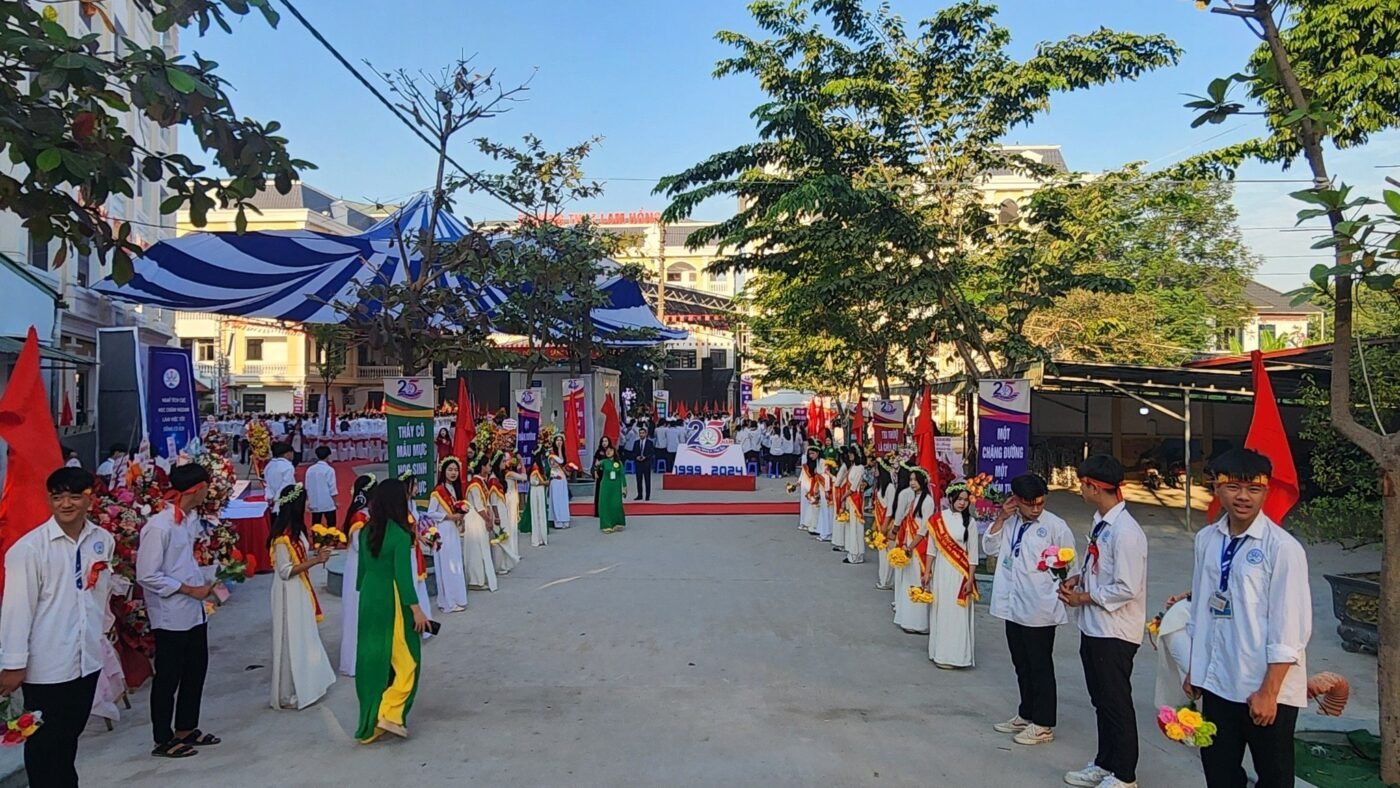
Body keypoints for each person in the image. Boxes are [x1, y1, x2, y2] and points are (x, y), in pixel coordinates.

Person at [1185, 448, 1310, 788]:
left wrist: (1269, 691)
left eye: (1254, 489)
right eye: (1233, 487)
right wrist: (1196, 669)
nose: (1243, 497)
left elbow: (1290, 627)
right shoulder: (1207, 539)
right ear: (1216, 487)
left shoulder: (1282, 548)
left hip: (1264, 689)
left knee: (1274, 776)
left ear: (1266, 491)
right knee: (1219, 772)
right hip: (1218, 682)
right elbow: (1201, 611)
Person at [0, 468, 115, 785]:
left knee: (68, 741)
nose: (66, 504)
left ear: (90, 500)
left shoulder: (102, 540)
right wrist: (13, 664)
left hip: (86, 661)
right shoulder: (29, 549)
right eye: (58, 497)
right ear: (48, 500)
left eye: (75, 496)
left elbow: (99, 596)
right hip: (46, 666)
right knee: (44, 746)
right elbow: (16, 610)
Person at [1058, 455, 1149, 788]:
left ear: (1094, 487)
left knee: (1116, 702)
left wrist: (1083, 597)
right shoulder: (1102, 522)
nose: (1080, 490)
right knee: (1101, 701)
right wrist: (1079, 579)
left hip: (1115, 631)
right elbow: (1100, 568)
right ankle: (1105, 762)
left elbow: (1126, 587)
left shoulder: (1126, 532)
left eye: (1082, 485)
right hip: (1094, 626)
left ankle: (1125, 775)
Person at [983, 473, 1075, 746]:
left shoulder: (1055, 526)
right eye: (1029, 504)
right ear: (1016, 500)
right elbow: (990, 547)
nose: (1036, 509)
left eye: (1040, 503)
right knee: (1021, 662)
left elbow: (1071, 564)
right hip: (1013, 603)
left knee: (1040, 665)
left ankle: (1043, 723)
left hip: (1040, 606)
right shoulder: (1010, 521)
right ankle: (1026, 713)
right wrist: (1001, 517)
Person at [136, 463, 220, 758]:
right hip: (171, 614)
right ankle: (163, 737)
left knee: (195, 670)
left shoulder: (188, 520)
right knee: (168, 677)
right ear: (199, 489)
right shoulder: (159, 526)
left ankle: (186, 726)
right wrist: (187, 589)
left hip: (194, 610)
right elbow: (147, 574)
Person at [354, 479, 431, 744]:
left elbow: (362, 572)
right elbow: (403, 577)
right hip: (391, 598)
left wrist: (366, 595)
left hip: (369, 597)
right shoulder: (399, 535)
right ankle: (389, 712)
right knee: (408, 660)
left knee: (373, 658)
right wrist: (416, 610)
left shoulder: (365, 531)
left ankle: (370, 721)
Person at [267, 484, 336, 710]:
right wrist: (315, 561)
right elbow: (285, 571)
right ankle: (287, 693)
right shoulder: (282, 538)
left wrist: (318, 554)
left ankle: (308, 684)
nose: (308, 504)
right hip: (288, 592)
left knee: (304, 635)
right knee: (290, 638)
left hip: (300, 588)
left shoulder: (297, 531)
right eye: (305, 500)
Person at [926, 481, 979, 669]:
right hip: (941, 571)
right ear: (950, 499)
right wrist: (927, 572)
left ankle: (957, 656)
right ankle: (940, 653)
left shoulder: (970, 523)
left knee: (957, 613)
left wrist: (970, 579)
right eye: (959, 499)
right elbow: (931, 549)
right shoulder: (938, 519)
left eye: (965, 500)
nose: (962, 503)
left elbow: (973, 554)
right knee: (941, 610)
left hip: (960, 574)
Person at [339, 474, 377, 676]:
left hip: (366, 567)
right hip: (358, 568)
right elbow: (359, 546)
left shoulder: (367, 515)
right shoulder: (359, 518)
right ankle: (354, 662)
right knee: (356, 613)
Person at [424, 458, 471, 612]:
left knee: (455, 564)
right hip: (443, 530)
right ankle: (448, 601)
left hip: (453, 530)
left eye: (455, 470)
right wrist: (450, 517)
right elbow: (430, 513)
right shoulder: (438, 491)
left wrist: (460, 519)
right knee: (446, 565)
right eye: (450, 470)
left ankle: (456, 598)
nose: (453, 473)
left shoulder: (454, 490)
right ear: (443, 471)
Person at [892, 467, 933, 634]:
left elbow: (924, 529)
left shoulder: (928, 501)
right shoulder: (914, 499)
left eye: (915, 480)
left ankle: (920, 623)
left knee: (917, 581)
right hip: (910, 544)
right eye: (911, 480)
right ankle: (908, 619)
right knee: (908, 581)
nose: (912, 483)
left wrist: (911, 546)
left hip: (919, 547)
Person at [462, 460, 499, 590]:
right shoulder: (475, 484)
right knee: (475, 549)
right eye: (488, 465)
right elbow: (478, 506)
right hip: (475, 518)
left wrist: (490, 516)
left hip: (481, 517)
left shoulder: (482, 482)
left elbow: (486, 502)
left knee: (482, 547)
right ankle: (475, 580)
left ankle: (480, 578)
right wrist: (488, 520)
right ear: (482, 467)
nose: (490, 467)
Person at [487, 456, 519, 574]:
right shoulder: (493, 480)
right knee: (499, 539)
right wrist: (496, 516)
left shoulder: (498, 478)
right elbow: (493, 501)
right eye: (503, 461)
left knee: (504, 537)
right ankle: (499, 566)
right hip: (498, 512)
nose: (505, 464)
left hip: (502, 509)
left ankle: (504, 564)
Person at [842, 446, 867, 564]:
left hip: (855, 498)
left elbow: (853, 487)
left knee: (856, 527)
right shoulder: (852, 466)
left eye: (852, 454)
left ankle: (857, 554)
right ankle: (851, 551)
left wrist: (843, 496)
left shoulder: (860, 467)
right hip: (850, 498)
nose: (849, 456)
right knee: (850, 526)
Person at [305, 445, 338, 531]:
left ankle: (316, 538)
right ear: (328, 456)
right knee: (331, 524)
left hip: (314, 500)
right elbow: (332, 487)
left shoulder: (310, 469)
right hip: (327, 500)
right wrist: (335, 501)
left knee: (316, 523)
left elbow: (307, 486)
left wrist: (308, 500)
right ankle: (331, 537)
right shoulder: (329, 470)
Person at [596, 445, 627, 533]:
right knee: (605, 505)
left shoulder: (619, 463)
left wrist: (624, 487)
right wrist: (596, 467)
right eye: (607, 451)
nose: (608, 452)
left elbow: (622, 475)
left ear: (614, 451)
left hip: (616, 486)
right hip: (606, 486)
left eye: (611, 450)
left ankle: (617, 523)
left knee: (616, 504)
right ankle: (606, 525)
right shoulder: (603, 462)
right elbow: (596, 468)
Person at [263, 442, 296, 515]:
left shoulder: (269, 465)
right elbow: (286, 485)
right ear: (287, 454)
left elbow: (266, 484)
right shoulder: (288, 466)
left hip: (272, 499)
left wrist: (269, 496)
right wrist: (277, 499)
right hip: (284, 500)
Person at [547, 438, 572, 529]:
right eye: (557, 440)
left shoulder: (564, 452)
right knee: (556, 500)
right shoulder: (550, 453)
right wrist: (558, 449)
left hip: (562, 478)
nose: (559, 442)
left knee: (563, 500)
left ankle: (565, 519)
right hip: (555, 478)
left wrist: (560, 449)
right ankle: (557, 521)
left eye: (560, 440)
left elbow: (563, 462)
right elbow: (559, 462)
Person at [526, 452, 549, 547]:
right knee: (537, 513)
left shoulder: (539, 465)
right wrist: (544, 483)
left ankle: (541, 537)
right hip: (536, 490)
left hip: (539, 490)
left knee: (540, 513)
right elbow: (533, 482)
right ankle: (538, 538)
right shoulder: (535, 467)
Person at [798, 445, 821, 533]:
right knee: (805, 505)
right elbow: (802, 474)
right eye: (809, 454)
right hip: (806, 486)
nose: (811, 455)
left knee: (814, 506)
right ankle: (804, 522)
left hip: (815, 486)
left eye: (812, 453)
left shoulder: (820, 463)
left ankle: (814, 524)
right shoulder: (806, 465)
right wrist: (798, 483)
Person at [830, 449, 849, 553]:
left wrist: (829, 474)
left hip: (839, 491)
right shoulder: (848, 466)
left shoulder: (843, 467)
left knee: (839, 516)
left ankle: (840, 542)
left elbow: (837, 482)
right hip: (843, 490)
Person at [591, 436, 615, 516]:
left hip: (609, 474)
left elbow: (615, 462)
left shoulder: (612, 450)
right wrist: (595, 472)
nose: (604, 443)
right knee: (599, 492)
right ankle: (598, 511)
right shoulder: (599, 452)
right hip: (600, 475)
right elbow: (595, 463)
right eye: (603, 441)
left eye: (606, 441)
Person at [633, 426, 655, 501]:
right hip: (638, 463)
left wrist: (646, 457)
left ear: (646, 434)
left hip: (646, 463)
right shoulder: (636, 443)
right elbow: (633, 452)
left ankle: (647, 495)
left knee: (647, 480)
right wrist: (636, 457)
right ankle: (640, 495)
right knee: (639, 480)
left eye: (643, 433)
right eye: (640, 433)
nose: (641, 434)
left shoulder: (650, 443)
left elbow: (652, 453)